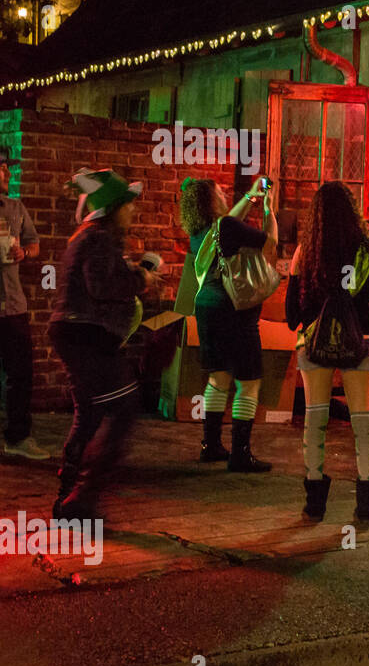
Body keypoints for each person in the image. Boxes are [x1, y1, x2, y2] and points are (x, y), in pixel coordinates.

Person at [49, 169, 160, 517]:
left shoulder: (89, 236)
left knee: (91, 413)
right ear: (113, 207)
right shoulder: (99, 237)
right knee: (125, 409)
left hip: (77, 333)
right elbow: (101, 286)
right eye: (128, 204)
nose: (133, 211)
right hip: (87, 336)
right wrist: (139, 277)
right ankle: (83, 497)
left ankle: (70, 493)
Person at [286, 182, 369, 524]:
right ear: (352, 211)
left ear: (316, 216)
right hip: (357, 344)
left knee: (315, 421)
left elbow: (291, 316)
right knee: (362, 422)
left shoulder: (308, 252)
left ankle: (314, 502)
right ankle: (365, 502)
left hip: (313, 347)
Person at [181, 177, 278, 469]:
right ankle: (240, 454)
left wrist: (250, 197)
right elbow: (270, 245)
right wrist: (267, 211)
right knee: (248, 382)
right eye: (220, 193)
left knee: (218, 378)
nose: (224, 195)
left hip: (206, 308)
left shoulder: (200, 233)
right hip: (234, 310)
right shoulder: (226, 228)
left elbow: (227, 224)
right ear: (212, 201)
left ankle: (211, 445)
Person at [0, 151, 51, 460]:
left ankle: (17, 437)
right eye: (2, 168)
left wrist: (25, 254)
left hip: (13, 305)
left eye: (6, 168)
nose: (6, 174)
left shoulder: (16, 208)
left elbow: (34, 243)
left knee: (20, 373)